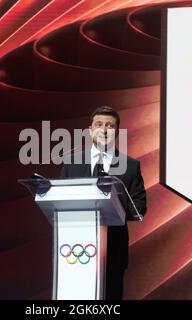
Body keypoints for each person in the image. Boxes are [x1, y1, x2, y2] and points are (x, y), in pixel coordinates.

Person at [60, 106, 147, 300]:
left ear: (116, 132)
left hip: (113, 251)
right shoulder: (72, 163)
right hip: (75, 250)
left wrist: (114, 205)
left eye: (110, 125)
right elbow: (61, 201)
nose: (104, 129)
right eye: (98, 124)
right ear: (90, 130)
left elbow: (140, 208)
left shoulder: (130, 166)